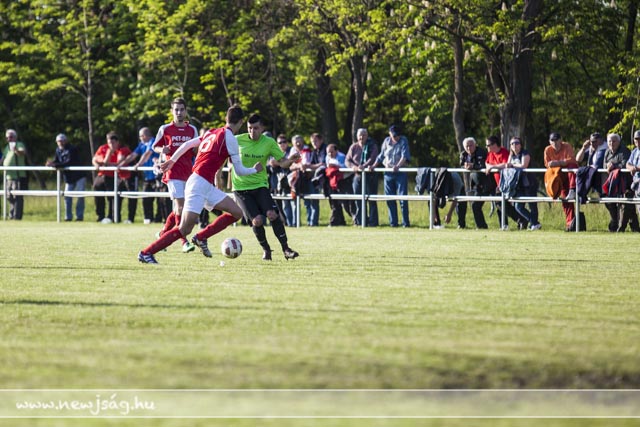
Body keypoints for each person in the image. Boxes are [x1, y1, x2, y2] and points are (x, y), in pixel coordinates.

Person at [138, 105, 262, 264]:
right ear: (241, 122)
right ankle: (146, 253)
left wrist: (172, 160)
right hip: (198, 184)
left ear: (226, 118)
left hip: (205, 184)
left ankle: (201, 237)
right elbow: (239, 170)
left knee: (236, 212)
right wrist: (255, 169)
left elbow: (186, 145)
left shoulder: (212, 132)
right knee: (184, 229)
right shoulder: (230, 137)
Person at [232, 114, 300, 261]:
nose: (252, 131)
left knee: (272, 214)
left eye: (256, 128)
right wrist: (217, 175)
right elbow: (222, 156)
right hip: (241, 188)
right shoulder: (237, 140)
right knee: (257, 221)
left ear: (262, 128)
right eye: (249, 128)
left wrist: (291, 160)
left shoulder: (269, 142)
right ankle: (266, 250)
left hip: (260, 185)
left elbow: (282, 163)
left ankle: (286, 249)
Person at [153, 97, 199, 252]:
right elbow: (155, 146)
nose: (179, 112)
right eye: (176, 110)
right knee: (180, 207)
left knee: (181, 208)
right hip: (172, 173)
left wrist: (197, 151)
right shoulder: (165, 129)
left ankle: (163, 234)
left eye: (181, 109)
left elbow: (196, 150)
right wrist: (162, 150)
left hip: (188, 173)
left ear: (185, 111)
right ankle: (184, 241)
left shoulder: (192, 130)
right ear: (172, 111)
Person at [369, 124, 410, 228]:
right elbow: (381, 156)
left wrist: (398, 166)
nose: (396, 137)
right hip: (388, 173)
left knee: (402, 198)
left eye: (398, 135)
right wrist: (373, 166)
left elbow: (404, 156)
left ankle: (405, 223)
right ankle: (393, 223)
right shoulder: (386, 141)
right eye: (394, 135)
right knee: (390, 199)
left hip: (400, 173)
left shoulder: (403, 140)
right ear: (389, 134)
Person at [485, 135, 528, 230]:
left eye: (488, 145)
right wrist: (489, 166)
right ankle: (505, 225)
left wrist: (493, 167)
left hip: (508, 183)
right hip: (499, 184)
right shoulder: (490, 154)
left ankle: (521, 220)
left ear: (494, 144)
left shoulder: (504, 152)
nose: (487, 147)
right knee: (499, 204)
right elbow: (487, 163)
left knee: (502, 204)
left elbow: (506, 165)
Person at [119, 127, 158, 224]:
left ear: (144, 136)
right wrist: (121, 165)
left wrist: (138, 164)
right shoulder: (142, 144)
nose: (140, 138)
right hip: (147, 176)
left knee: (160, 199)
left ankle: (159, 219)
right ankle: (148, 218)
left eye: (141, 136)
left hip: (157, 175)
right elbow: (133, 155)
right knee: (146, 198)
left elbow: (147, 154)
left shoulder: (154, 142)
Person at [92, 132, 131, 223]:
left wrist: (107, 160)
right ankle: (100, 216)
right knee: (97, 190)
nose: (111, 145)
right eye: (109, 142)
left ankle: (113, 217)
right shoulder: (103, 148)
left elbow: (117, 162)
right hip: (102, 175)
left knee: (113, 197)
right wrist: (97, 163)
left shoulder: (122, 149)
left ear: (117, 142)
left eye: (113, 142)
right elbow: (96, 159)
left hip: (116, 176)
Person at [45, 133, 86, 221]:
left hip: (79, 175)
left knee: (80, 195)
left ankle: (79, 216)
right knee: (67, 196)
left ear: (66, 141)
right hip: (69, 177)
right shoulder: (58, 150)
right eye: (59, 141)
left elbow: (69, 162)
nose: (60, 143)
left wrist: (55, 165)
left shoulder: (72, 149)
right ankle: (68, 217)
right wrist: (51, 163)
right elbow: (57, 160)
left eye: (62, 141)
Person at [543, 132, 579, 231]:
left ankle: (573, 189)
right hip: (558, 178)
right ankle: (570, 224)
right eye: (552, 140)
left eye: (556, 140)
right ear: (549, 141)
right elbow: (547, 164)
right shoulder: (547, 149)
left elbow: (572, 160)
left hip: (570, 177)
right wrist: (560, 164)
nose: (555, 142)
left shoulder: (567, 146)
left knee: (572, 166)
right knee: (565, 201)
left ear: (560, 140)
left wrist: (558, 163)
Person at [602, 133, 637, 232]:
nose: (611, 143)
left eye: (614, 141)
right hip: (613, 185)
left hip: (626, 184)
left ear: (619, 142)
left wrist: (614, 165)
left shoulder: (624, 151)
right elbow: (604, 166)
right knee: (609, 202)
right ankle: (616, 223)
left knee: (627, 206)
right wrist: (608, 165)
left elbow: (625, 164)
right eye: (609, 141)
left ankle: (623, 227)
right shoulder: (607, 152)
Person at [345, 128, 379, 227]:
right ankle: (360, 221)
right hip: (357, 176)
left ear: (367, 136)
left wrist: (363, 166)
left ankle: (373, 222)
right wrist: (354, 167)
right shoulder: (353, 147)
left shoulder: (372, 146)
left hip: (370, 176)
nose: (361, 137)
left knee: (371, 199)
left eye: (364, 135)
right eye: (360, 135)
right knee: (358, 199)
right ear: (357, 136)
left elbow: (373, 158)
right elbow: (347, 160)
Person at [506, 136, 541, 230]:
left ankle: (534, 224)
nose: (514, 145)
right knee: (518, 206)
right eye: (512, 143)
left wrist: (512, 165)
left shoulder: (525, 153)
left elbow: (523, 165)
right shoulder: (511, 155)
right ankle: (534, 222)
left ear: (520, 145)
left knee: (532, 205)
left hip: (529, 183)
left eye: (517, 143)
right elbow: (507, 166)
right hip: (518, 185)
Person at [459, 137, 488, 229]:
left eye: (471, 145)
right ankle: (481, 226)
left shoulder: (481, 152)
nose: (469, 148)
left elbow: (483, 165)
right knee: (475, 205)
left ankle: (508, 224)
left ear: (475, 145)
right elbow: (461, 164)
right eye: (466, 146)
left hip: (487, 183)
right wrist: (466, 166)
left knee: (500, 204)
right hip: (476, 184)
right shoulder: (463, 154)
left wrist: (473, 166)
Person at [288, 134, 317, 226]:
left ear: (302, 142)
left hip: (307, 178)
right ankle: (295, 223)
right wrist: (298, 165)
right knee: (294, 201)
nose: (298, 143)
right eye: (295, 142)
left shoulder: (306, 150)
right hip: (296, 180)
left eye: (299, 141)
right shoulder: (293, 150)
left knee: (309, 201)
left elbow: (305, 164)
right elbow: (290, 165)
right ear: (293, 143)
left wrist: (297, 165)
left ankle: (311, 223)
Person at [324, 143, 355, 226]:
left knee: (348, 202)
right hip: (335, 181)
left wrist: (337, 166)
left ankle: (357, 220)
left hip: (346, 180)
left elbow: (346, 167)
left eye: (332, 152)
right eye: (328, 152)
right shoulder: (327, 157)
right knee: (336, 201)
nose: (330, 154)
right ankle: (339, 221)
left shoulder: (341, 157)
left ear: (336, 151)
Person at [3, 129, 28, 220]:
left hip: (18, 176)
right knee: (9, 196)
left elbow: (23, 153)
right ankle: (11, 215)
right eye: (7, 138)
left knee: (17, 197)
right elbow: (4, 158)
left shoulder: (19, 144)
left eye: (10, 137)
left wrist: (15, 150)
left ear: (15, 137)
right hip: (8, 176)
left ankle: (17, 217)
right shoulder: (7, 147)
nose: (8, 139)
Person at [626, 130, 640, 220]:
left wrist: (636, 168)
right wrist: (631, 168)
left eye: (639, 138)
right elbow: (627, 164)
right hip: (636, 183)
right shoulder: (634, 151)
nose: (637, 140)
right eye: (636, 139)